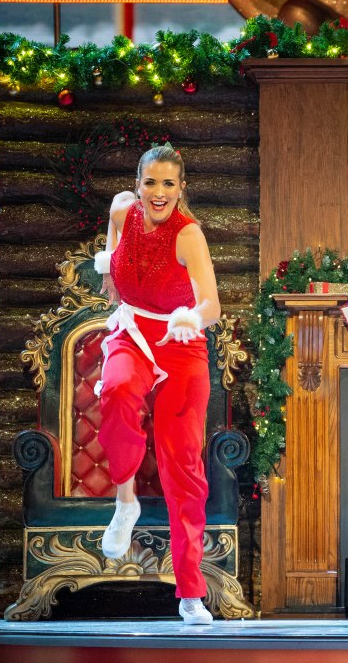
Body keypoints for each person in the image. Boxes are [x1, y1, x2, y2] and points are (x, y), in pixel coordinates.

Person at [93, 142, 220, 625]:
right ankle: (125, 504)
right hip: (135, 332)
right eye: (151, 183)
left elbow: (213, 304)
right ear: (138, 184)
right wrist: (110, 273)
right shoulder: (123, 210)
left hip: (181, 341)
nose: (159, 193)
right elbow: (112, 242)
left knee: (183, 467)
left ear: (181, 188)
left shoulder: (189, 235)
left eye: (169, 184)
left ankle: (190, 592)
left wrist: (192, 316)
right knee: (119, 390)